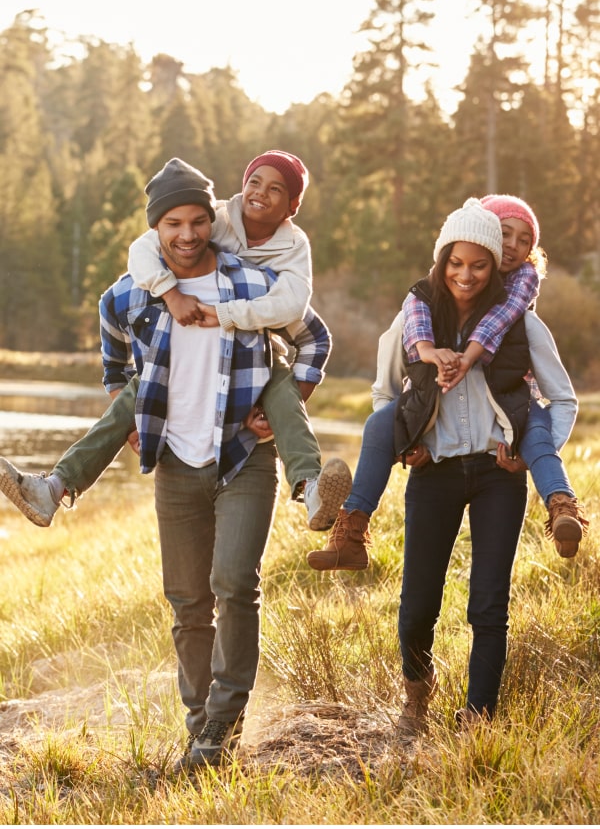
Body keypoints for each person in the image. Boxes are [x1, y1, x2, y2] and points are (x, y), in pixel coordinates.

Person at [98, 165, 331, 772]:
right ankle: (201, 726)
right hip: (175, 459)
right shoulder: (135, 290)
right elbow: (111, 336)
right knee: (187, 601)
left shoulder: (251, 282)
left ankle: (224, 723)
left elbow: (314, 334)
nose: (187, 233)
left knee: (234, 583)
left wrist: (287, 400)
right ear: (155, 230)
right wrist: (127, 405)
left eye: (199, 220)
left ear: (213, 221)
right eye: (173, 223)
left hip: (242, 456)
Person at [317, 197, 578, 735]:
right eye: (457, 263)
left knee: (488, 603)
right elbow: (383, 394)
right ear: (443, 261)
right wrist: (407, 441)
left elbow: (563, 400)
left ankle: (479, 716)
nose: (467, 274)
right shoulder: (415, 319)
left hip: (495, 476)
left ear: (493, 267)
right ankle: (417, 695)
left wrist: (528, 453)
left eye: (480, 264)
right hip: (433, 473)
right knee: (417, 602)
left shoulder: (522, 325)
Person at [0, 153, 351, 534]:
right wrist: (169, 293)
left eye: (276, 189)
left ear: (292, 205)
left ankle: (311, 487)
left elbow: (297, 309)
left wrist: (280, 405)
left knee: (282, 389)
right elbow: (143, 250)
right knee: (137, 392)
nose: (261, 193)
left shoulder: (292, 249)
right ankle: (52, 489)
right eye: (255, 182)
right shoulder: (213, 218)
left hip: (257, 356)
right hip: (180, 359)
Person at [307, 194, 587, 571]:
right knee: (378, 424)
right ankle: (352, 528)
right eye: (505, 234)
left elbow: (502, 323)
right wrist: (409, 437)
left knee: (536, 429)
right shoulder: (423, 300)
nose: (513, 247)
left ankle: (562, 505)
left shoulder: (519, 299)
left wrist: (467, 358)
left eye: (524, 240)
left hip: (510, 412)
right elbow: (393, 368)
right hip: (434, 442)